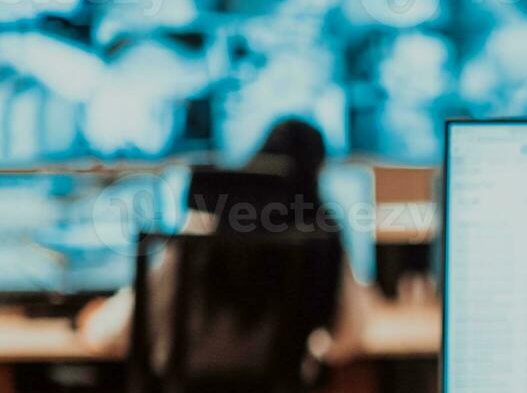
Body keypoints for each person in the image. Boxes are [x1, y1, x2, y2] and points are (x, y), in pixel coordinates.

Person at [78, 118, 373, 362]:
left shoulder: (211, 224)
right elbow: (350, 335)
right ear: (318, 173)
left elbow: (116, 331)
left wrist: (96, 323)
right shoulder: (318, 234)